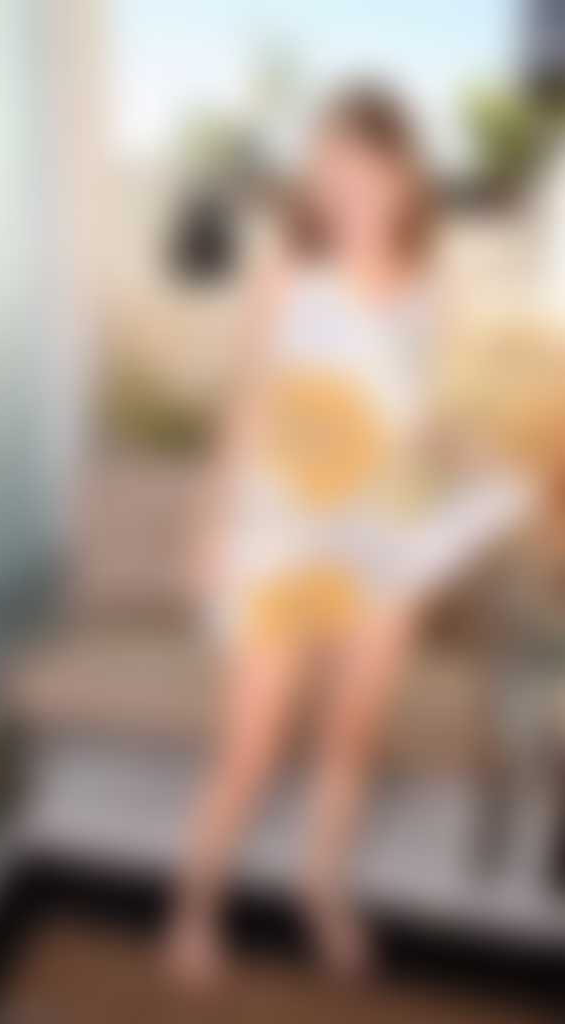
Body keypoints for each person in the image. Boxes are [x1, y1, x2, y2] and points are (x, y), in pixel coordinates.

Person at [165, 84, 529, 985]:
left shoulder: (429, 286)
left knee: (349, 743)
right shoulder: (288, 271)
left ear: (402, 175)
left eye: (361, 167)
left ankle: (319, 893)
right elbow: (245, 407)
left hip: (382, 536)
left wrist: (482, 464)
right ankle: (194, 907)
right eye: (328, 168)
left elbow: (429, 422)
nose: (342, 186)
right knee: (249, 748)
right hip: (278, 535)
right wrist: (210, 527)